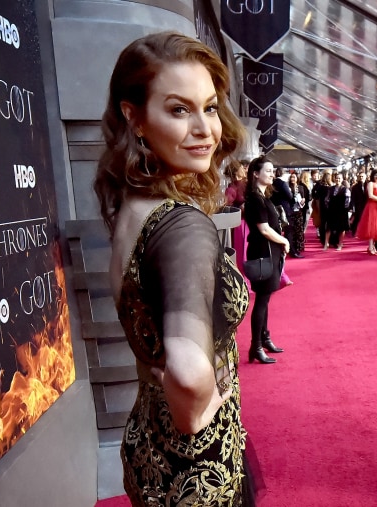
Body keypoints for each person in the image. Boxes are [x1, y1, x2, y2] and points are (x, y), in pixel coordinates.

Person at [94, 31, 254, 506]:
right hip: (197, 473)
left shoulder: (133, 206)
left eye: (209, 107)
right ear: (134, 116)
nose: (206, 128)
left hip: (147, 448)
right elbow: (187, 372)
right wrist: (198, 414)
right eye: (179, 110)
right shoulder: (183, 227)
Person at [244, 156, 289, 364]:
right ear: (256, 173)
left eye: (273, 170)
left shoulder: (263, 196)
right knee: (262, 300)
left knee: (265, 298)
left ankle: (265, 338)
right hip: (263, 253)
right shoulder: (254, 198)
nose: (272, 174)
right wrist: (284, 241)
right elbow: (264, 229)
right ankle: (256, 346)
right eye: (268, 170)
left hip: (270, 251)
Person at [356, 168, 377, 255]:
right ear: (372, 175)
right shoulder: (370, 183)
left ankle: (372, 246)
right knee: (371, 227)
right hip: (372, 207)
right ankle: (371, 246)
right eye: (375, 175)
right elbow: (370, 195)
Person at [225, 159, 249, 276]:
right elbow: (227, 207)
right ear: (236, 171)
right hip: (241, 223)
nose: (244, 169)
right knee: (242, 252)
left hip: (249, 221)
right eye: (241, 167)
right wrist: (240, 208)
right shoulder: (232, 188)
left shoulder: (246, 184)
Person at [323, 172, 351, 250]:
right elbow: (326, 199)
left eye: (339, 178)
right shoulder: (330, 189)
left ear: (342, 179)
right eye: (336, 178)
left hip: (342, 211)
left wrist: (346, 209)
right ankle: (326, 244)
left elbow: (348, 201)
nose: (337, 179)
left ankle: (340, 244)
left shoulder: (345, 189)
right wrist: (328, 207)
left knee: (341, 228)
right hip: (332, 210)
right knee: (328, 228)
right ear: (334, 179)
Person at [287, 171, 307, 257]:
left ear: (297, 178)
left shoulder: (301, 187)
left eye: (294, 177)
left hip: (299, 211)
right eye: (291, 177)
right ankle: (292, 249)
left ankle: (298, 248)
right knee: (292, 231)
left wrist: (303, 201)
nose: (292, 179)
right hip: (291, 211)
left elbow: (304, 198)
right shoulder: (288, 188)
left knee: (299, 230)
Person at [350, 171, 368, 236]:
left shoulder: (368, 185)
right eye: (360, 176)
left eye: (362, 176)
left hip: (367, 205)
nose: (361, 178)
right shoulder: (355, 187)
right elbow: (353, 198)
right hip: (358, 206)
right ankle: (354, 232)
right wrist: (353, 207)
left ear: (365, 177)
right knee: (357, 219)